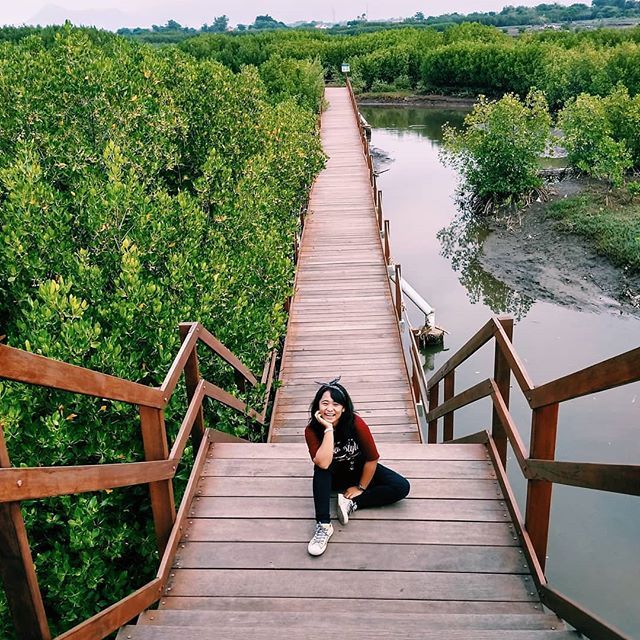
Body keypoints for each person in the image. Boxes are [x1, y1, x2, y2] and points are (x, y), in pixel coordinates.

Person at [304, 377, 410, 556]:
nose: (330, 409)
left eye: (336, 404)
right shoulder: (312, 431)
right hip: (333, 476)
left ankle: (351, 503)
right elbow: (323, 462)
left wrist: (361, 487)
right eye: (325, 403)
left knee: (401, 486)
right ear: (317, 407)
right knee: (321, 471)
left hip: (358, 470)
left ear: (344, 408)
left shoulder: (356, 424)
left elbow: (372, 458)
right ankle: (323, 525)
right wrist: (328, 429)